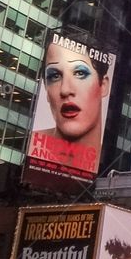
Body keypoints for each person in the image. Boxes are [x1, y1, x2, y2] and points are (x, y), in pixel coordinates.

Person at [32, 39, 112, 176]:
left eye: (80, 73)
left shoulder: (109, 163)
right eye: (55, 76)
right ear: (46, 89)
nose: (65, 90)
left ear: (103, 86)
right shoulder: (31, 147)